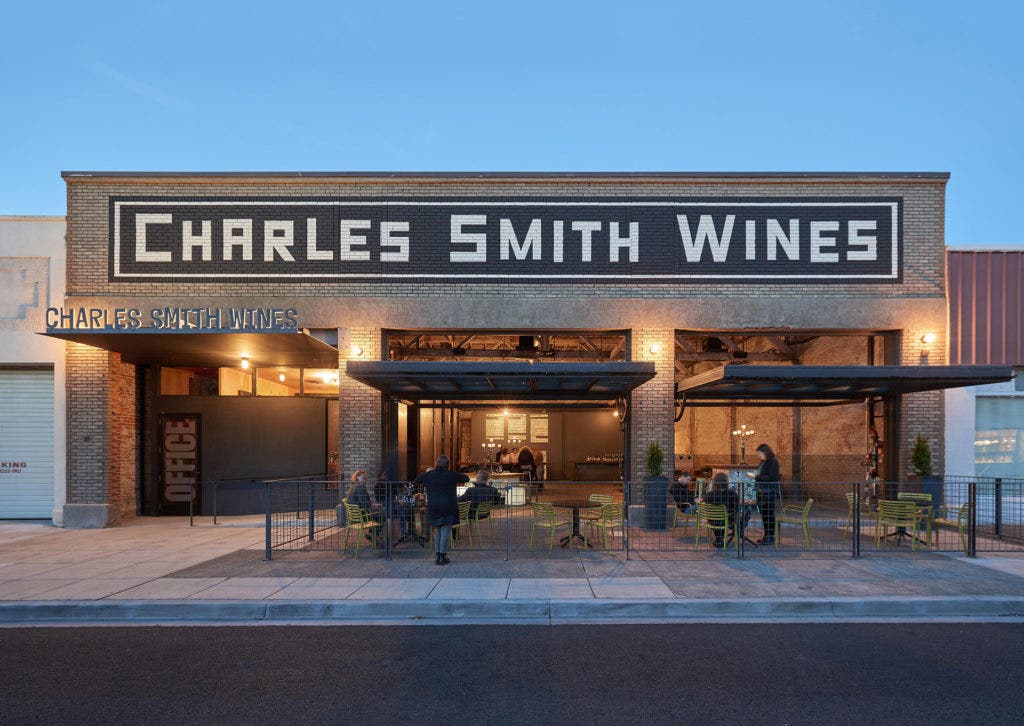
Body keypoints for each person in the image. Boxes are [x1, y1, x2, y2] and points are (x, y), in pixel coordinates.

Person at [413, 455, 469, 566]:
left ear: (436, 463)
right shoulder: (451, 475)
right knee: (445, 532)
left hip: (434, 507)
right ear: (448, 464)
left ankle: (437, 556)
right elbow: (466, 478)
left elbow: (417, 479)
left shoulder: (430, 475)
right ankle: (443, 557)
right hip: (448, 507)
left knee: (438, 531)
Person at [753, 443, 782, 545]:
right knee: (764, 515)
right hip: (763, 492)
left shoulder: (773, 462)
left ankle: (770, 537)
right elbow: (761, 473)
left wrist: (755, 477)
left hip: (769, 492)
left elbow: (771, 478)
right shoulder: (763, 462)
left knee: (769, 515)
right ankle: (766, 536)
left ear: (766, 452)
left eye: (760, 454)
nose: (759, 456)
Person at [700, 472, 738, 548]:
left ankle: (719, 539)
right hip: (728, 519)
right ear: (726, 482)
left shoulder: (709, 495)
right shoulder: (732, 494)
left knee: (718, 519)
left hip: (712, 520)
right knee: (746, 512)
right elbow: (736, 507)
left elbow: (707, 506)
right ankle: (737, 531)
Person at [373, 470, 402, 548]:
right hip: (385, 506)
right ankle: (391, 539)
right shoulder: (381, 485)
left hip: (387, 505)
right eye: (384, 475)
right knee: (391, 517)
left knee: (393, 515)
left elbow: (393, 495)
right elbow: (380, 498)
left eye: (386, 475)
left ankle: (392, 538)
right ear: (380, 476)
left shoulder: (385, 484)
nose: (386, 476)